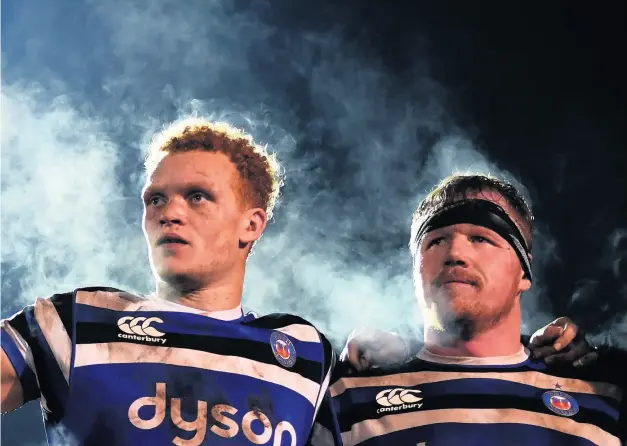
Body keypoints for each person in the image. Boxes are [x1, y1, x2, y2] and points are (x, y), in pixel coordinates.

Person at [1, 118, 335, 445]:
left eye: (197, 196)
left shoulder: (306, 353)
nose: (169, 213)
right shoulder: (80, 321)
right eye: (156, 199)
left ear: (251, 225)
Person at [311, 174, 626, 446]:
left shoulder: (603, 394)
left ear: (524, 272)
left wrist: (609, 362)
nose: (455, 253)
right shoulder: (347, 396)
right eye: (435, 242)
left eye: (481, 238)